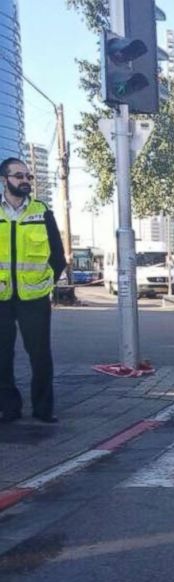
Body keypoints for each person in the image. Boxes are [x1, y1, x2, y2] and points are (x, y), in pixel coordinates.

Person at [0, 157, 66, 423]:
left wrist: (47, 283)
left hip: (34, 297)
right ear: (5, 180)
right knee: (2, 356)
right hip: (1, 298)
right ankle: (9, 408)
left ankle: (43, 409)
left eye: (29, 177)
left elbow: (58, 256)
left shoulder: (42, 212)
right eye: (19, 176)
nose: (26, 181)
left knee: (40, 356)